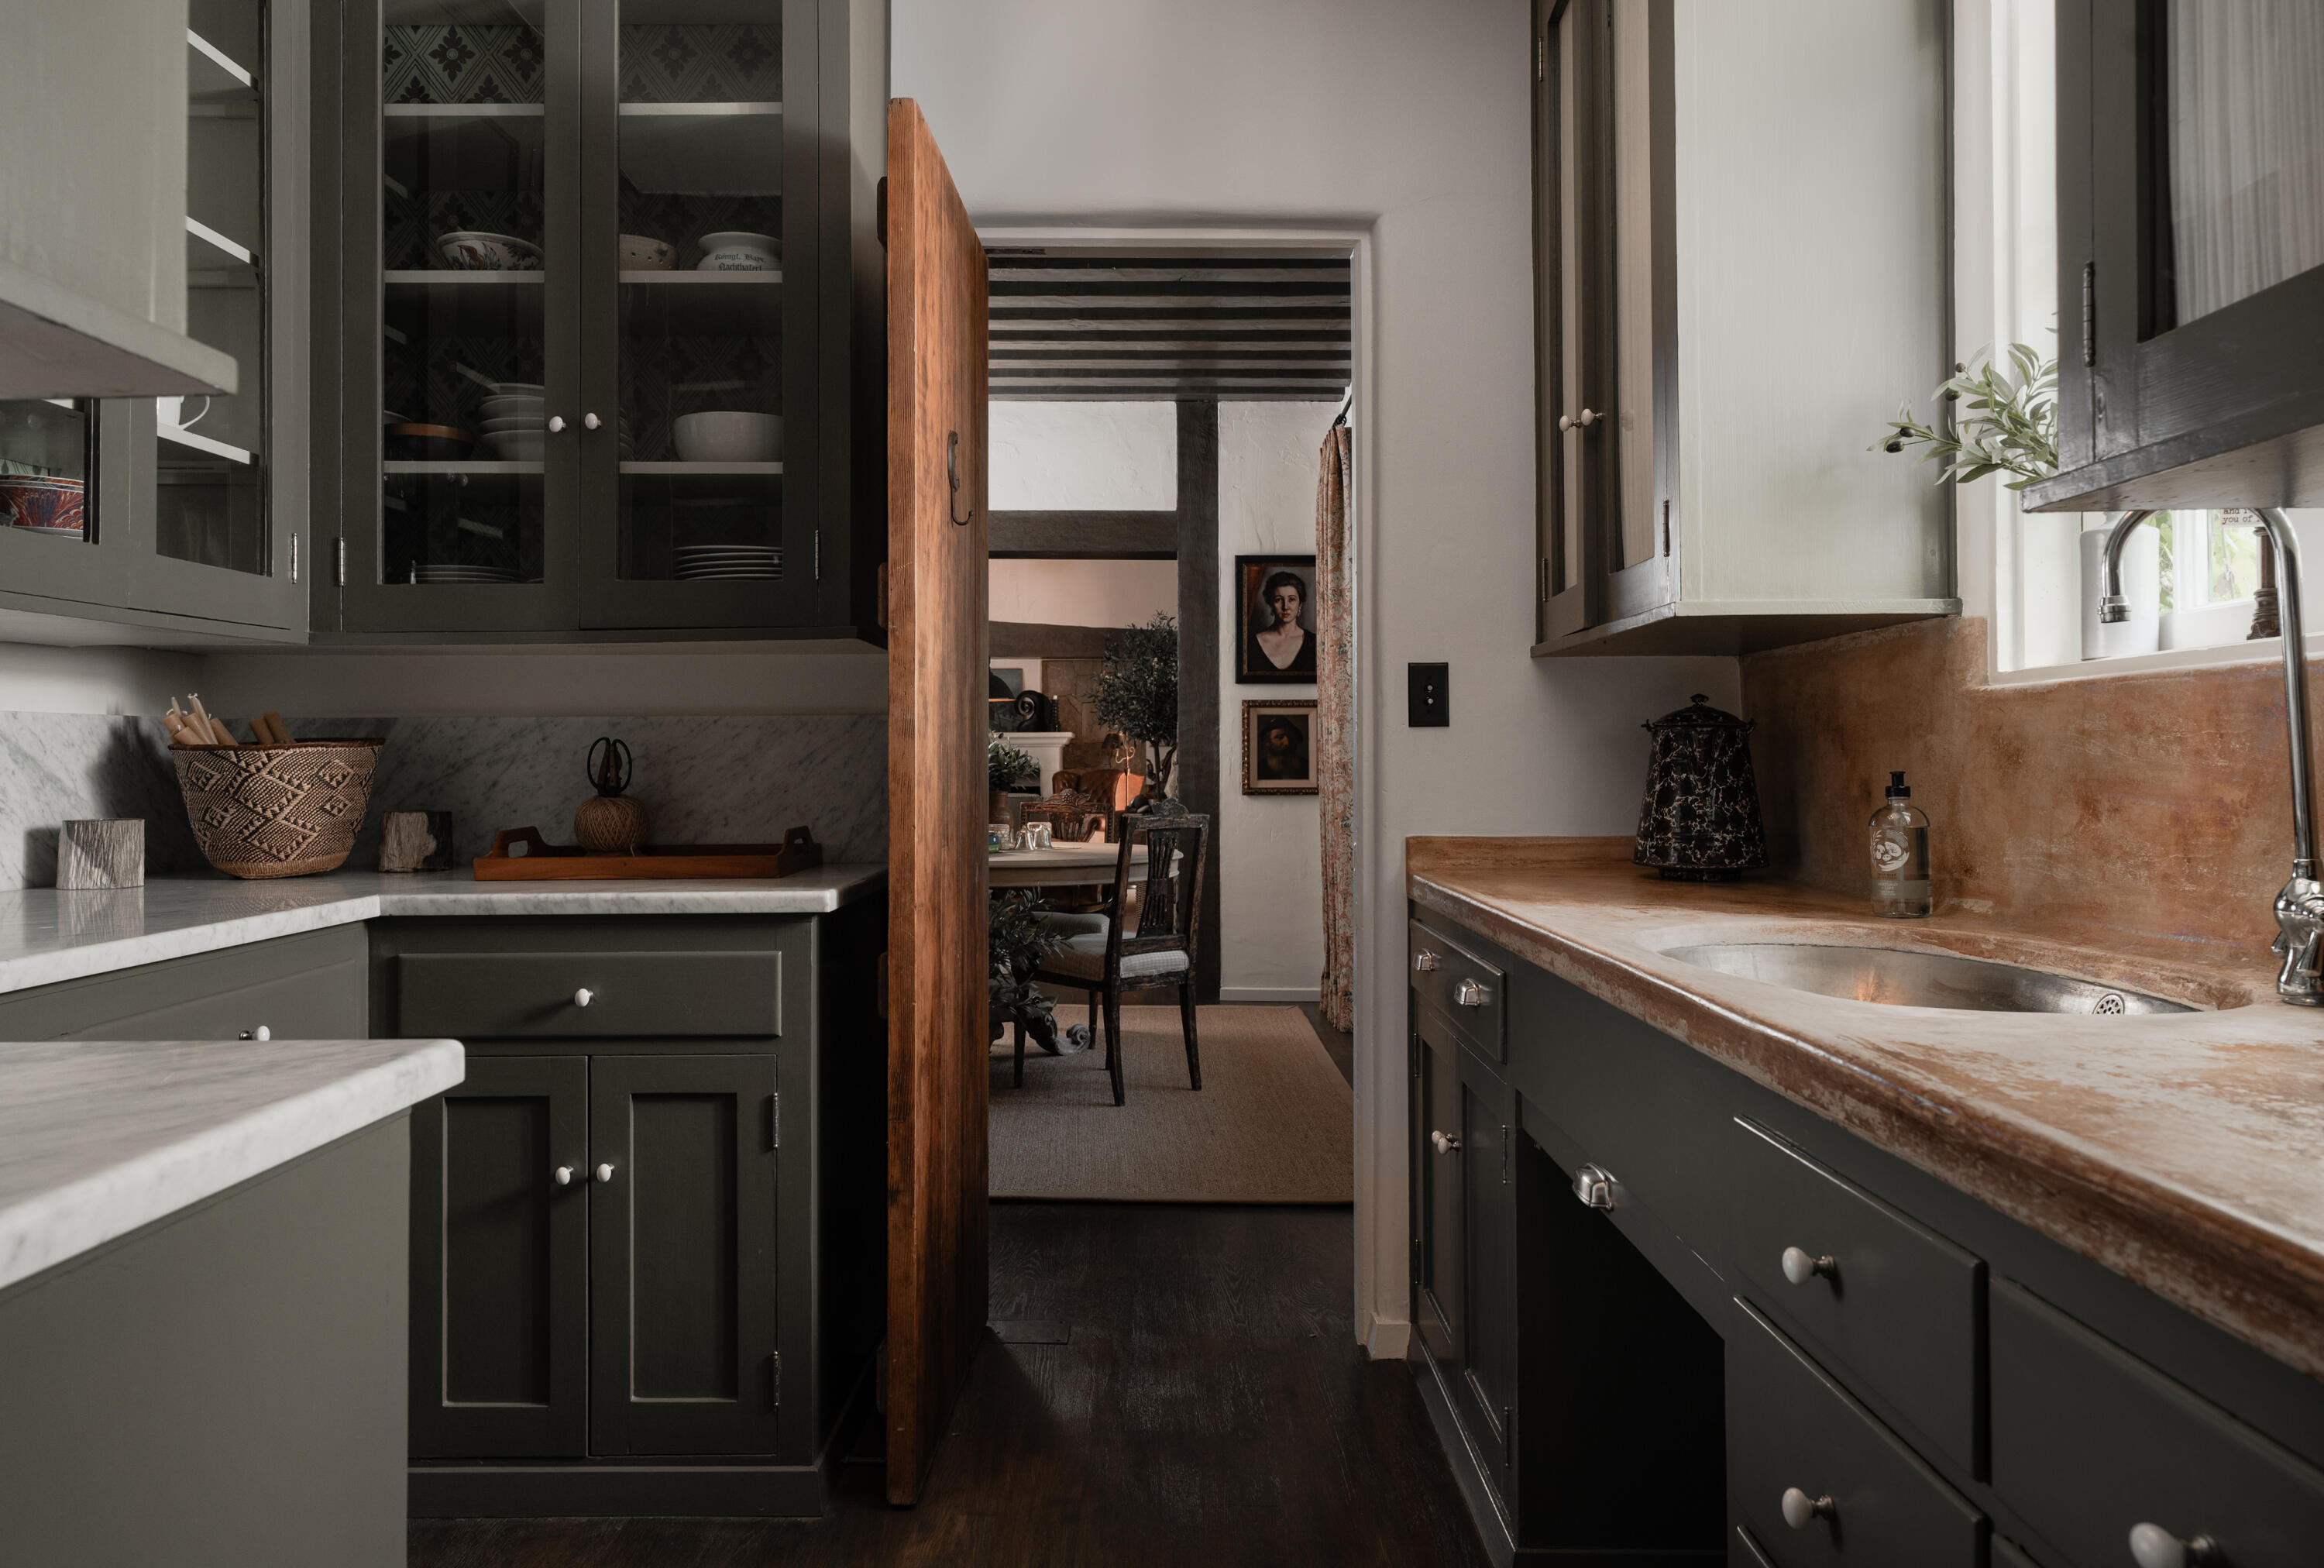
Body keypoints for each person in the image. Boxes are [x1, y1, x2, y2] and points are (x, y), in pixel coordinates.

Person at [1246, 569, 1316, 675]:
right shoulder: (1251, 644)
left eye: (1291, 599)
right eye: (1278, 600)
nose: (1285, 607)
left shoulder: (1315, 643)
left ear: (1300, 604)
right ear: (1270, 604)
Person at [1256, 715, 1309, 781]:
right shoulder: (1258, 769)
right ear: (1268, 742)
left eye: (1291, 737)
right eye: (1280, 737)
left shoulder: (1307, 767)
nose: (1287, 743)